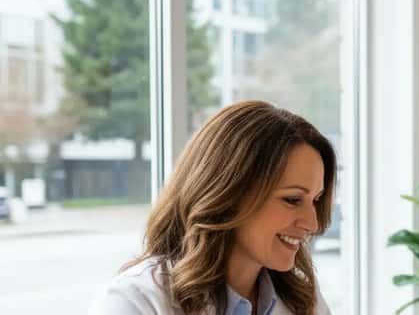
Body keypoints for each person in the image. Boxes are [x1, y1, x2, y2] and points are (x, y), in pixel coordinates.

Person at [89, 101, 335, 315]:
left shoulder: (304, 300)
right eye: (292, 199)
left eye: (315, 200)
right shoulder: (136, 302)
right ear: (229, 193)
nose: (312, 224)